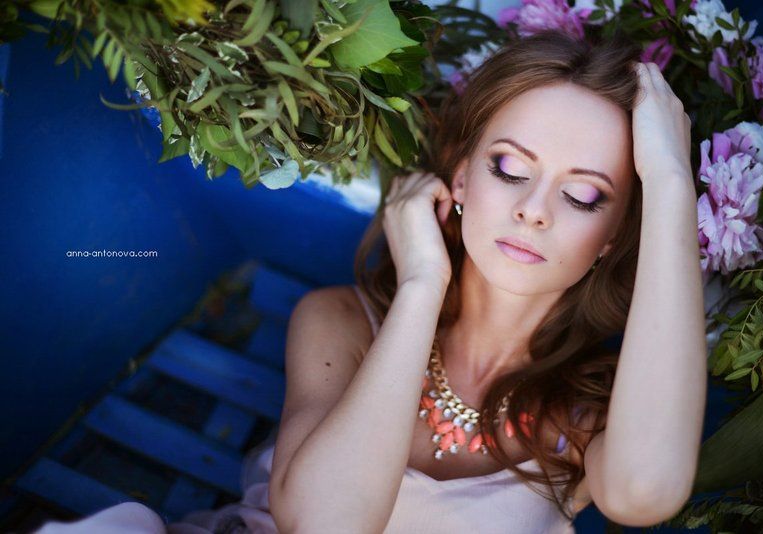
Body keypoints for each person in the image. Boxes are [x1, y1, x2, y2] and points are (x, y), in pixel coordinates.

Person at [34, 27, 707, 533]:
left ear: (613, 236)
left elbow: (646, 492)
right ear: (462, 177)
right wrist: (420, 284)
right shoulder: (342, 323)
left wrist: (673, 184)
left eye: (585, 196)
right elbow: (325, 525)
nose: (534, 208)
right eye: (510, 167)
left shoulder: (586, 416)